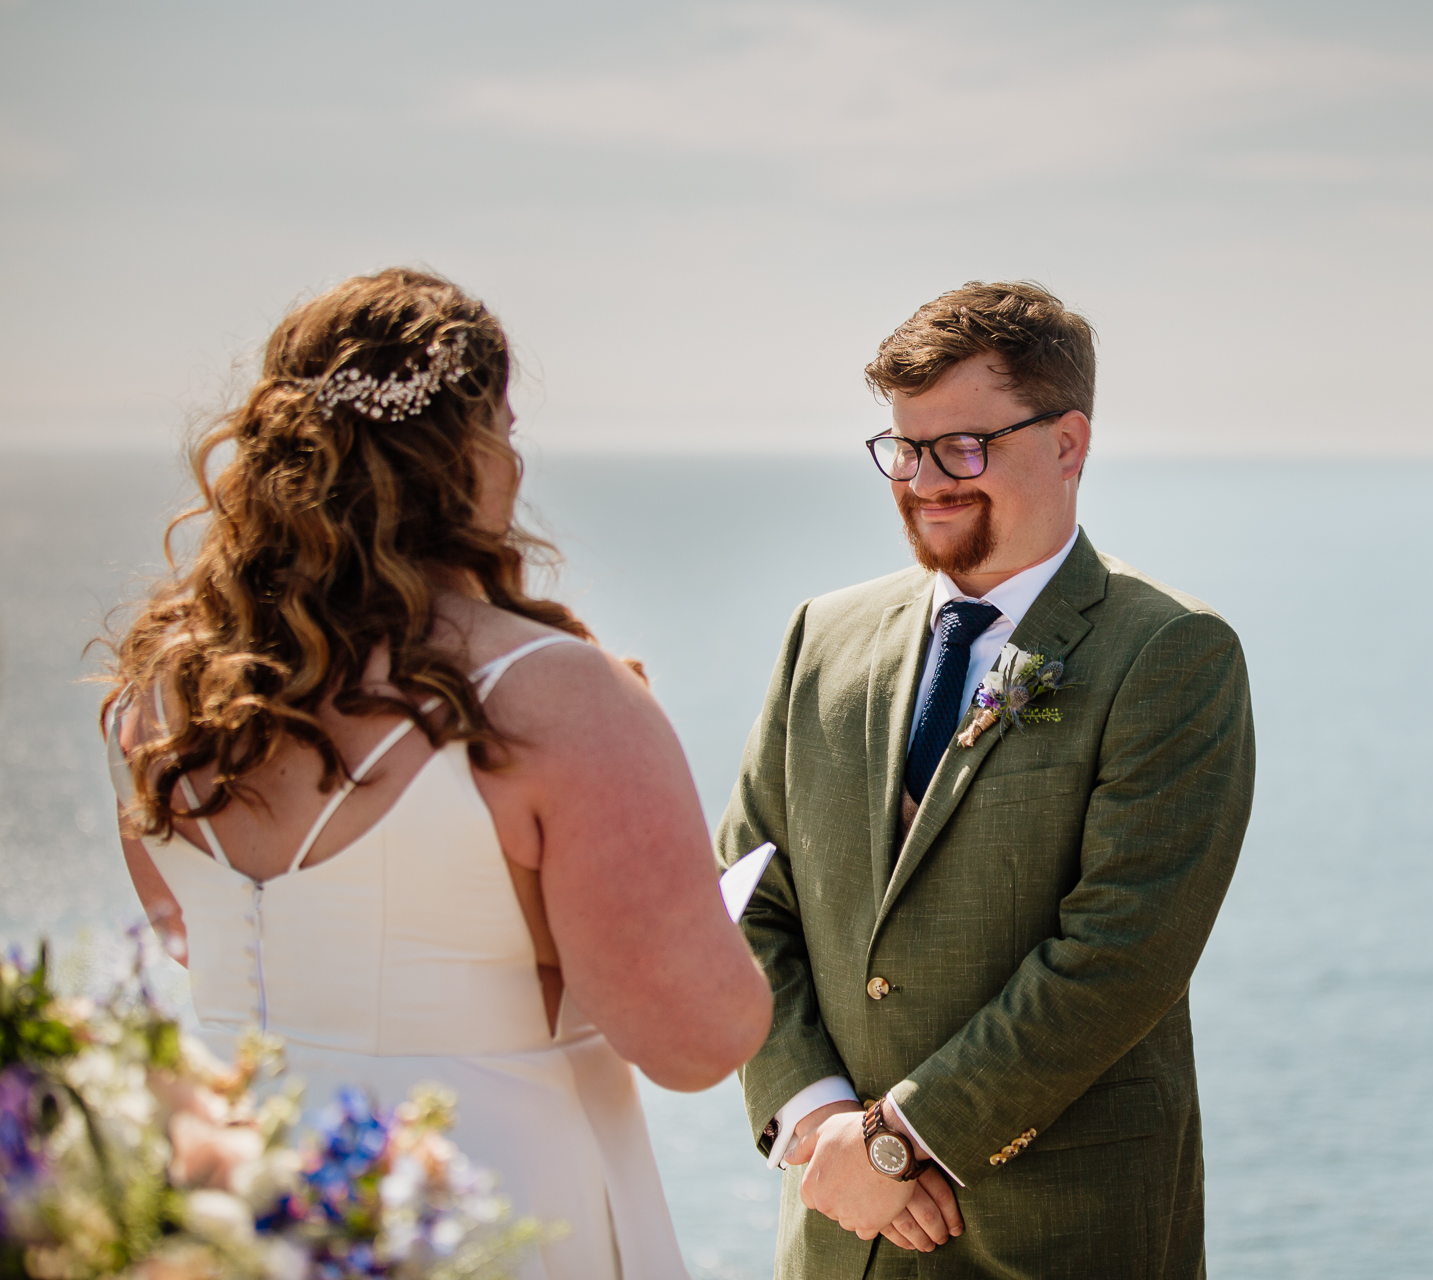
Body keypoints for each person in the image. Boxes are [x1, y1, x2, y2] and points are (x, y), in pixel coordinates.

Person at [102, 268, 771, 1280]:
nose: (514, 458)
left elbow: (198, 941)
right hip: (486, 1218)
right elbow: (694, 1039)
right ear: (460, 455)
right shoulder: (557, 696)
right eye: (502, 428)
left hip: (243, 1214)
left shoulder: (163, 696)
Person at [716, 281, 1256, 1279]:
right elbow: (747, 893)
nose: (924, 480)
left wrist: (899, 1139)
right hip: (840, 1232)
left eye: (962, 447)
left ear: (1069, 443)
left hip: (1057, 1237)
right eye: (904, 448)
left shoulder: (1172, 652)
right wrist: (819, 1113)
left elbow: (1117, 954)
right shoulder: (821, 638)